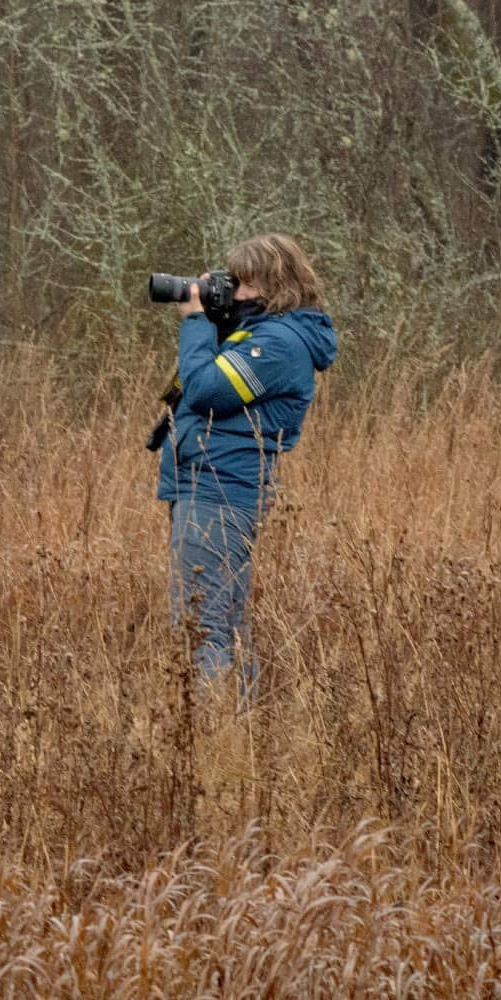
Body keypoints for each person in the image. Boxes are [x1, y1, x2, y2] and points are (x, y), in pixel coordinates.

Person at [157, 232, 338, 687]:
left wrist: (196, 322)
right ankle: (240, 723)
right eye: (232, 281)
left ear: (276, 286)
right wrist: (218, 320)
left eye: (244, 283)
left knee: (203, 627)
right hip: (213, 487)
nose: (235, 292)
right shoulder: (261, 333)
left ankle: (212, 724)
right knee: (224, 623)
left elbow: (206, 391)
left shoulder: (278, 344)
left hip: (219, 491)